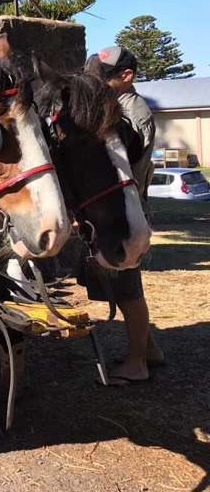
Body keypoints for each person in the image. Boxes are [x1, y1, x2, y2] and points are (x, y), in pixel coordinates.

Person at [84, 45, 164, 383]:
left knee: (129, 290)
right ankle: (149, 350)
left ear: (126, 77)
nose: (95, 85)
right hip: (117, 208)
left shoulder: (134, 114)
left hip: (125, 213)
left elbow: (122, 163)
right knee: (123, 286)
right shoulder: (118, 105)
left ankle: (136, 365)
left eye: (101, 79)